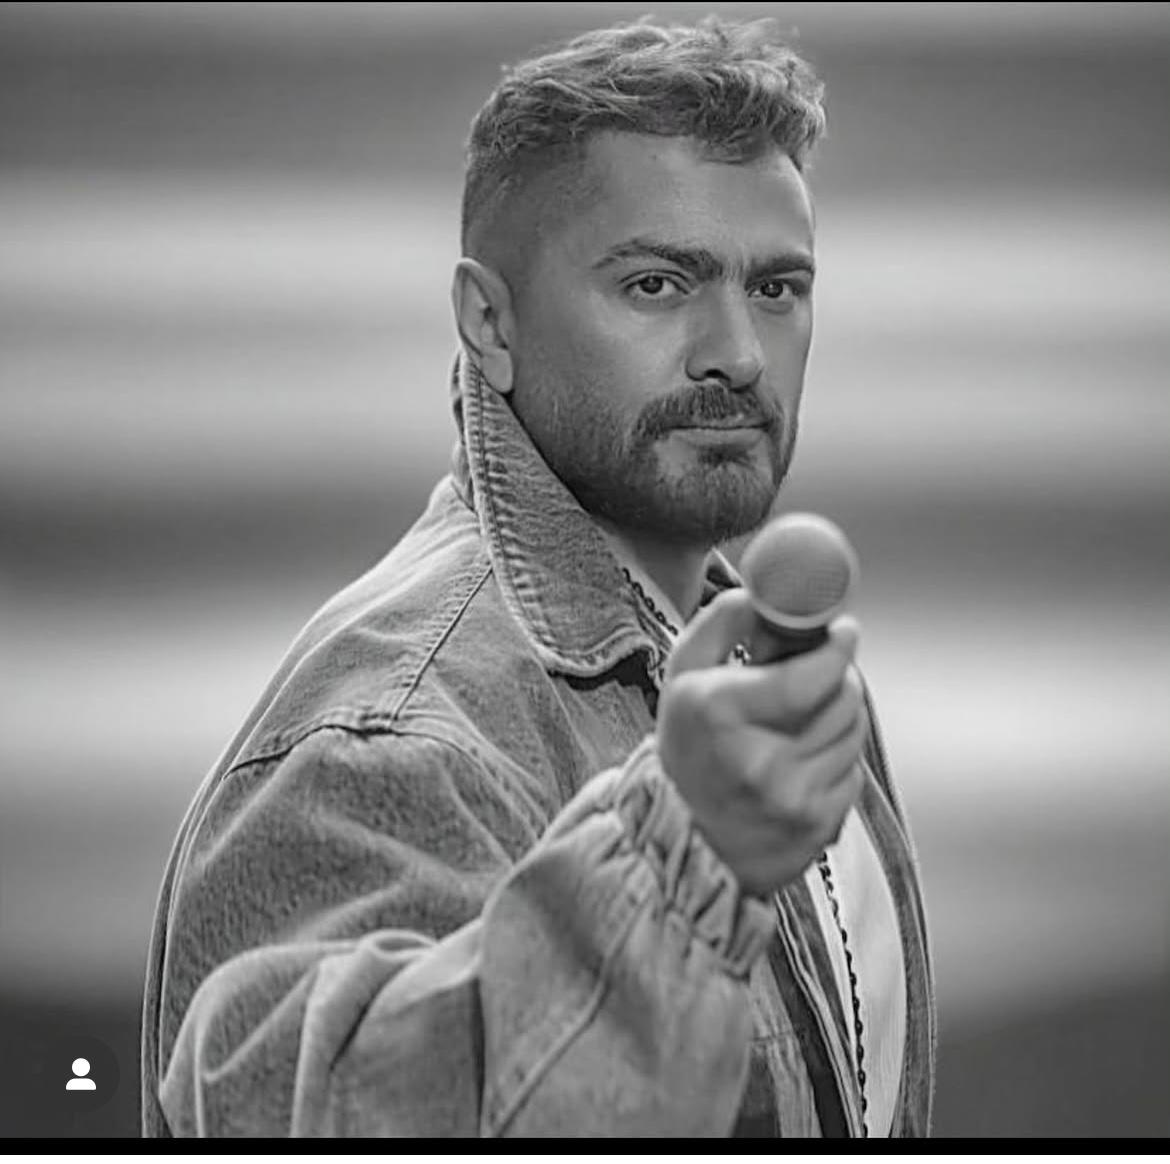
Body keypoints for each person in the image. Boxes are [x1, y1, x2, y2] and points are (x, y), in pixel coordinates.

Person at [140, 15, 935, 1138]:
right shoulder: (394, 739)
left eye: (777, 288)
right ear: (489, 323)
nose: (738, 353)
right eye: (657, 284)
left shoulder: (758, 681)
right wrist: (672, 867)